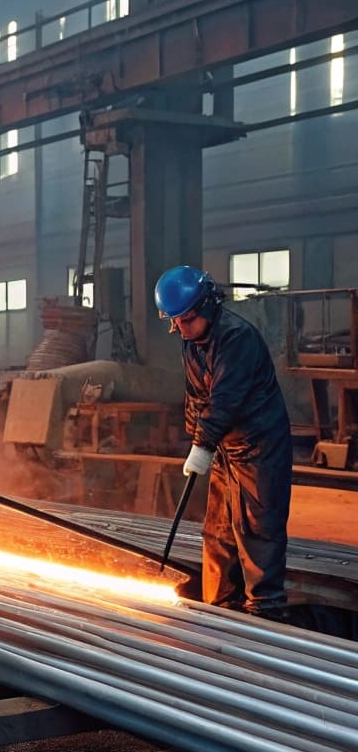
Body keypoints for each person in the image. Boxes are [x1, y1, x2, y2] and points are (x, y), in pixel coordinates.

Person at [154, 265, 292, 620]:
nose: (179, 329)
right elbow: (196, 396)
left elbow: (225, 400)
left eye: (184, 320)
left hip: (259, 446)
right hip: (226, 447)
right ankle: (221, 608)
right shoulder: (193, 341)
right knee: (217, 529)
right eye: (175, 322)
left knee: (257, 529)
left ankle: (265, 613)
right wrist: (196, 437)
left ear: (207, 306)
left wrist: (202, 444)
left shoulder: (236, 339)